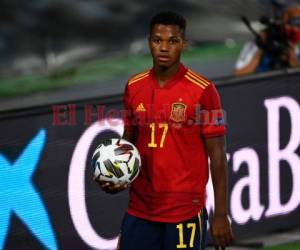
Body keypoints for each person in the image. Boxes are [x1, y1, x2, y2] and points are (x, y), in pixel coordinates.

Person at [97, 11, 233, 250]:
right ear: (149, 42)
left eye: (172, 41)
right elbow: (128, 142)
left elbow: (218, 156)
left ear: (184, 44)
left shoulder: (205, 91)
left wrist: (221, 214)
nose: (163, 48)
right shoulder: (133, 86)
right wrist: (116, 176)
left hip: (184, 210)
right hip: (140, 209)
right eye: (157, 40)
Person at [234, 5, 300, 76]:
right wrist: (261, 51)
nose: (295, 29)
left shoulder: (292, 47)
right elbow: (238, 74)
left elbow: (296, 76)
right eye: (291, 23)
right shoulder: (255, 45)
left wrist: (291, 55)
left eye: (298, 25)